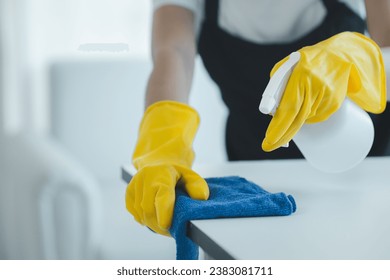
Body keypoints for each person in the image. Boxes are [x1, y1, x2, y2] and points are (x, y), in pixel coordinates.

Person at [126, 0, 390, 236]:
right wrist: (163, 145)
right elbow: (173, 53)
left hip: (362, 166)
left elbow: (387, 46)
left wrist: (355, 58)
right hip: (254, 178)